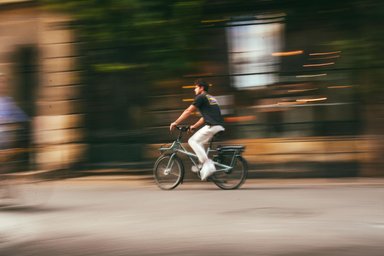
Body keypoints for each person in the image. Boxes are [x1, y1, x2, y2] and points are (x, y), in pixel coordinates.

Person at [170, 79, 225, 181]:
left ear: (201, 88)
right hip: (217, 125)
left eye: (196, 87)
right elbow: (205, 117)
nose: (194, 89)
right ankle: (203, 165)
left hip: (212, 126)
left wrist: (176, 122)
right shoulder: (211, 98)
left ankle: (208, 165)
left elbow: (188, 111)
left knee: (192, 141)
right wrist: (194, 126)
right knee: (199, 143)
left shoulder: (201, 97)